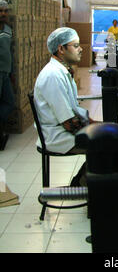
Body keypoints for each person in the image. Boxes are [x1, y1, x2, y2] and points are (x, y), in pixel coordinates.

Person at [34, 27, 96, 186]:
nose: (81, 49)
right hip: (56, 136)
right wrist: (96, 132)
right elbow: (69, 123)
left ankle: (82, 185)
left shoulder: (62, 71)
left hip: (62, 130)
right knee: (106, 144)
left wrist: (96, 125)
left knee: (106, 139)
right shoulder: (53, 75)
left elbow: (73, 110)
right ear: (61, 49)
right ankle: (82, 188)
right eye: (75, 46)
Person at [0, 0, 15, 150]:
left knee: (9, 102)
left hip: (5, 72)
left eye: (5, 11)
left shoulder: (8, 29)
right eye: (0, 11)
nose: (3, 14)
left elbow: (9, 52)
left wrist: (12, 72)